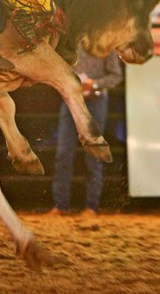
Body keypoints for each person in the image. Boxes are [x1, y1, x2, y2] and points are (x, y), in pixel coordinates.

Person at [51, 45, 122, 216]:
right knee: (64, 153)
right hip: (73, 101)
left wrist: (94, 84)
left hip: (91, 101)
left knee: (92, 155)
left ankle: (90, 206)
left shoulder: (105, 45)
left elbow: (116, 75)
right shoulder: (74, 42)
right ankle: (63, 206)